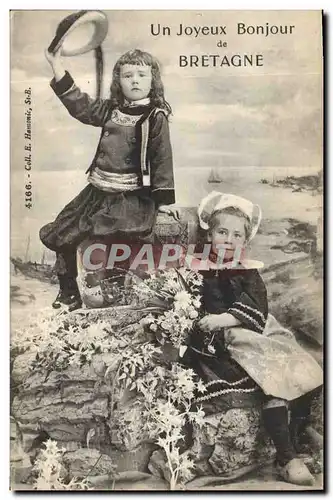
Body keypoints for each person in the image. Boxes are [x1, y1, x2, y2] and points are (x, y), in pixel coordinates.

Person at [182, 191, 323, 486]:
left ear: (244, 243)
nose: (229, 240)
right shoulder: (198, 267)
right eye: (222, 232)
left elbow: (257, 308)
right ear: (209, 235)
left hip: (252, 327)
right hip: (226, 338)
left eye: (236, 235)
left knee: (300, 365)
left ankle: (298, 435)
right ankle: (287, 456)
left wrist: (224, 317)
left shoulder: (247, 271)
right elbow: (191, 302)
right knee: (270, 379)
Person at [40, 48, 179, 311]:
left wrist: (163, 202)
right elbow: (81, 106)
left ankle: (118, 301)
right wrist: (56, 65)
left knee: (117, 247)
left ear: (153, 80)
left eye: (141, 74)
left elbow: (162, 158)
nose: (135, 80)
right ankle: (69, 292)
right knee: (61, 232)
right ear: (119, 81)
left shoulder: (155, 117)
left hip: (131, 198)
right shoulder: (110, 110)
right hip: (97, 192)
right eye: (128, 75)